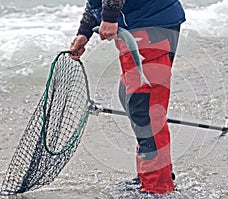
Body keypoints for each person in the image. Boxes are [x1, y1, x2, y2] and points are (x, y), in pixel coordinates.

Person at [70, 0, 185, 195]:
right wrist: (85, 30)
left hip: (149, 26)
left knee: (146, 111)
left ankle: (157, 188)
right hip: (142, 24)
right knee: (132, 99)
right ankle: (152, 174)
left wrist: (109, 16)